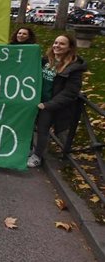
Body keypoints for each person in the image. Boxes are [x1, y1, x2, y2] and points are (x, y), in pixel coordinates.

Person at [27, 34, 87, 168]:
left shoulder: (73, 67)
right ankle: (28, 150)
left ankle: (37, 156)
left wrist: (48, 105)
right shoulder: (46, 60)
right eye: (55, 43)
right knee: (29, 126)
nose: (57, 46)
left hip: (50, 105)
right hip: (35, 100)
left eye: (61, 44)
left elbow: (70, 92)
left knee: (42, 130)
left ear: (69, 47)